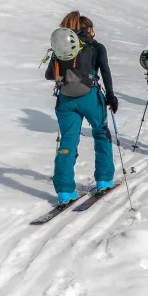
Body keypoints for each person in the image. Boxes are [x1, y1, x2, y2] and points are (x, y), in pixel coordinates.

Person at [45, 11, 119, 205]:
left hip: (65, 99)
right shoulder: (96, 47)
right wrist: (110, 95)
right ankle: (104, 180)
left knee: (67, 142)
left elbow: (49, 75)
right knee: (101, 134)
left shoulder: (61, 46)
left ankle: (64, 191)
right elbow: (105, 71)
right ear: (88, 29)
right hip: (90, 97)